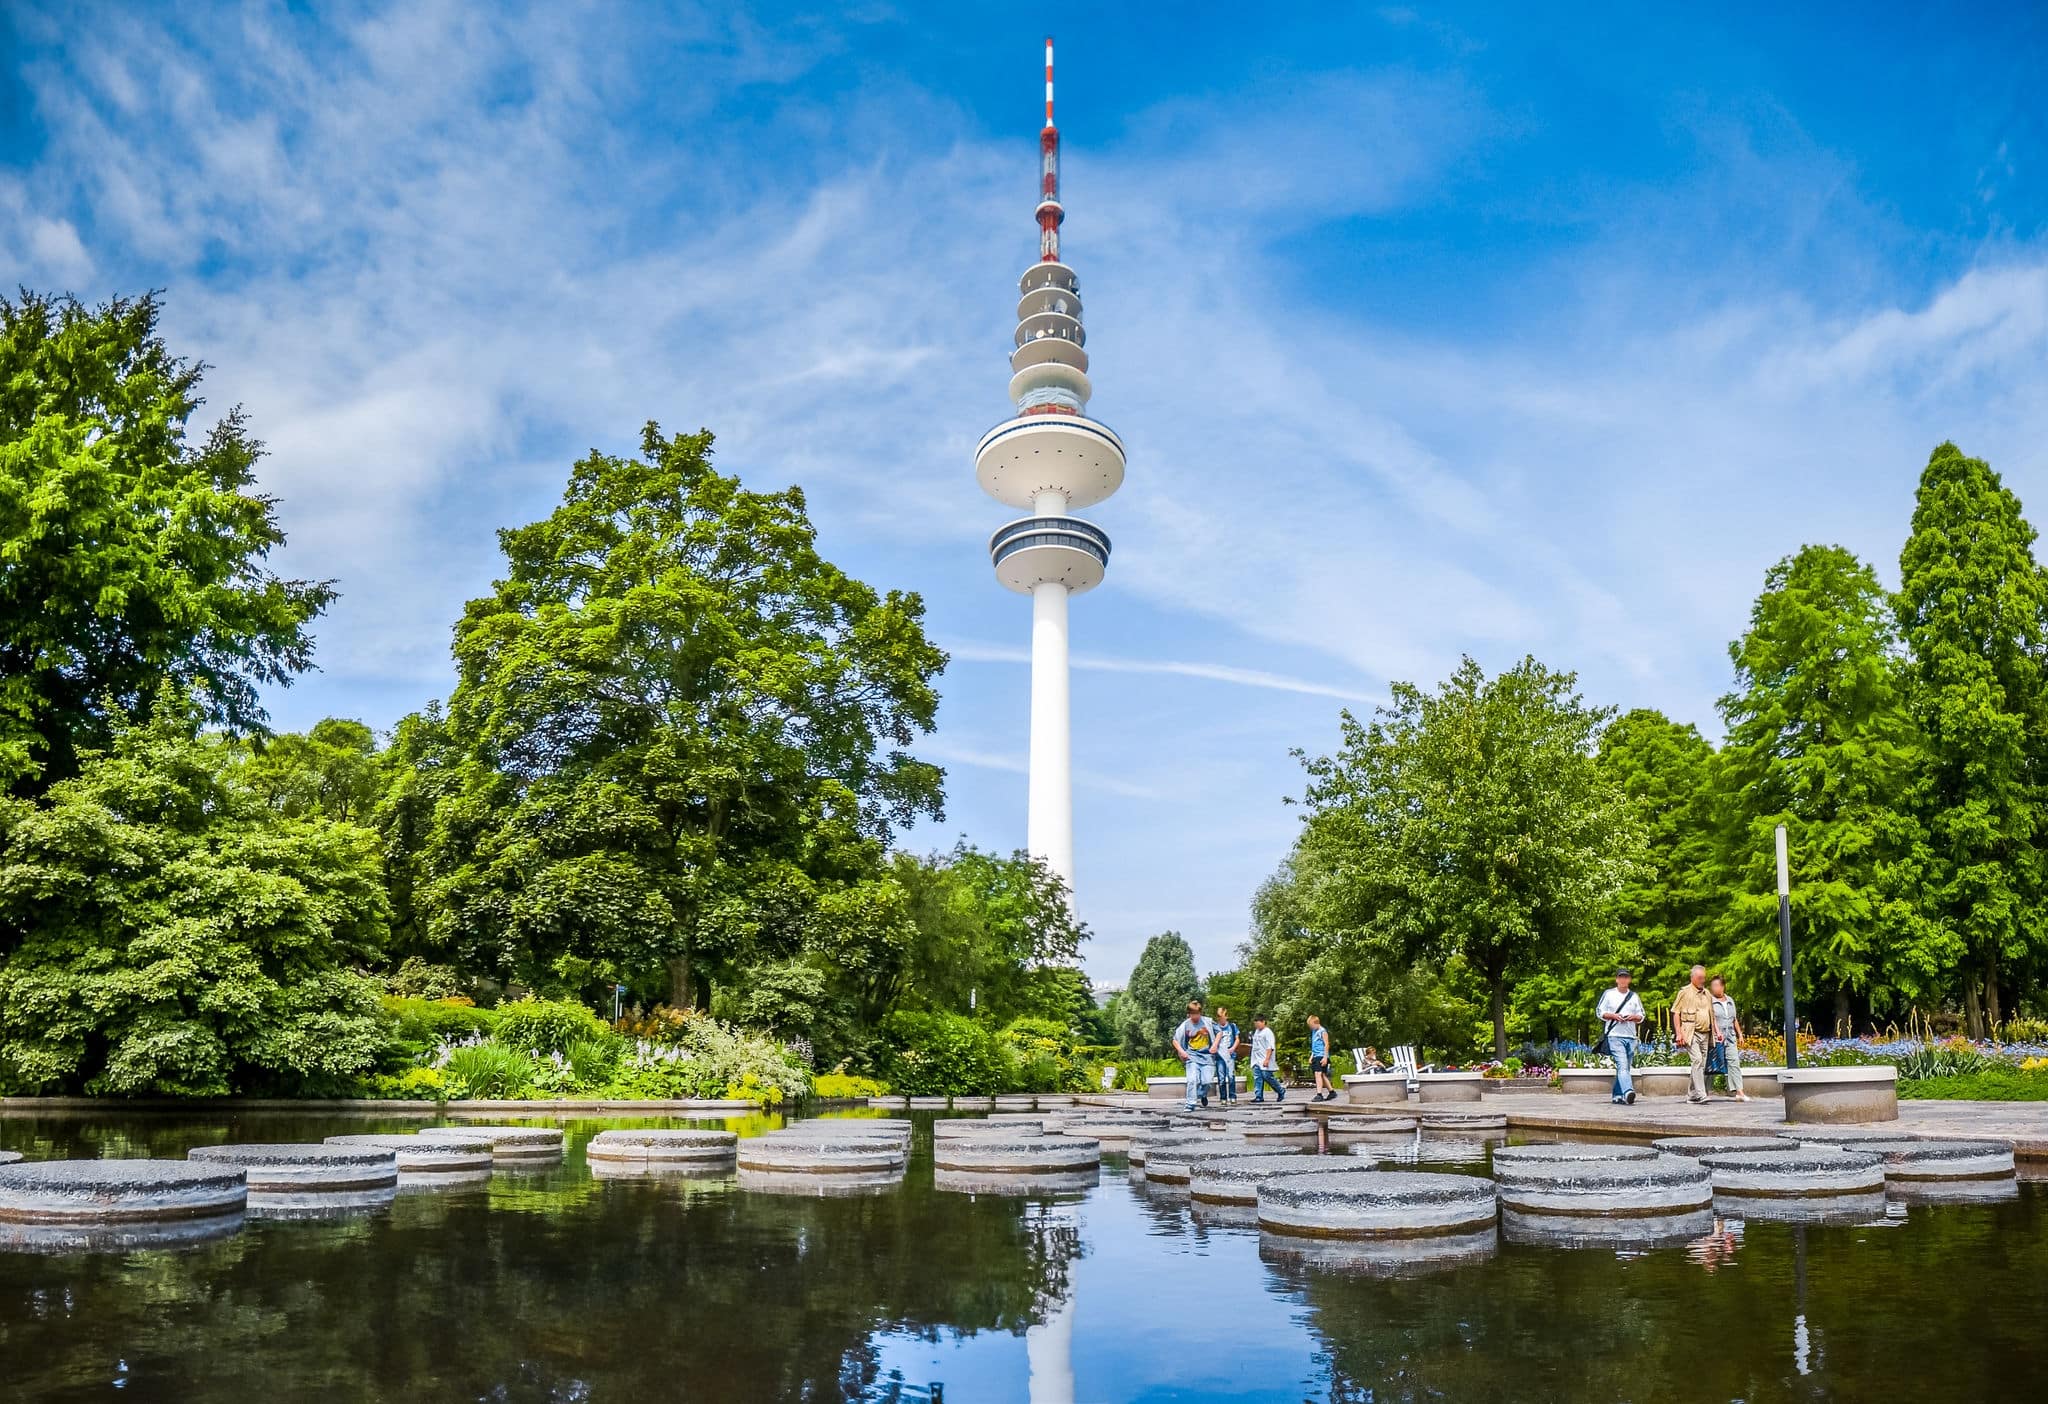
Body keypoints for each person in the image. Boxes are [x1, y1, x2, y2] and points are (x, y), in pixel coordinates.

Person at [1596, 967, 1646, 1105]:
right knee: (1622, 1064)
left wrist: (1633, 1017)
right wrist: (1613, 1016)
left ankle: (1617, 1095)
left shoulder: (1634, 996)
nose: (1623, 979)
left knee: (1625, 1067)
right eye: (1621, 977)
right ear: (1617, 979)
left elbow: (1641, 1015)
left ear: (1629, 980)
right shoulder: (1609, 994)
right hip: (1614, 1035)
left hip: (1630, 1036)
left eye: (1626, 977)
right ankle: (1628, 1091)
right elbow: (1600, 1012)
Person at [1672, 964, 1717, 1104]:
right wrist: (1678, 1033)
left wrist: (1717, 1031)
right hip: (1691, 1033)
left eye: (1704, 978)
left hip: (1706, 1033)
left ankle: (1692, 1095)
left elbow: (1712, 1014)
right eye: (1699, 978)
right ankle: (1701, 1094)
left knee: (1701, 1064)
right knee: (1697, 1060)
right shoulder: (1684, 992)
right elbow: (1675, 1012)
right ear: (1692, 978)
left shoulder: (1707, 994)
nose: (1702, 980)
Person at [1708, 975, 1749, 1101]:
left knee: (1734, 1062)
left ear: (1722, 986)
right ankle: (1704, 1091)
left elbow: (1734, 1019)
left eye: (1716, 985)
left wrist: (1740, 1034)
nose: (1714, 988)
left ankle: (1739, 1092)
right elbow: (1711, 1019)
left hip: (1730, 1037)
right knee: (1712, 1065)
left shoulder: (1730, 1000)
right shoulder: (1710, 1001)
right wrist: (1717, 1032)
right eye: (1712, 986)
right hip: (1716, 1038)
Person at [1172, 999, 1216, 1111]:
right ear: (1189, 1014)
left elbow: (1219, 1032)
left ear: (1200, 1013)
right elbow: (1175, 1040)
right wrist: (1182, 1051)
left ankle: (1202, 1094)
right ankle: (1190, 1104)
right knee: (1192, 1080)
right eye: (1193, 1014)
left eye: (1197, 1013)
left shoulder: (1208, 1022)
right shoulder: (1185, 1025)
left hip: (1207, 1056)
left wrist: (1215, 1045)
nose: (1195, 1016)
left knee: (1206, 1081)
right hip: (1192, 1056)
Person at [1249, 1016, 1284, 1102]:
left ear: (1263, 1022)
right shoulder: (1257, 1032)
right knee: (1257, 1077)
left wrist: (1267, 1059)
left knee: (1267, 1076)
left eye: (1258, 1023)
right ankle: (1258, 1096)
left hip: (1265, 1059)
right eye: (1255, 1024)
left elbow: (1270, 1047)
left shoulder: (1268, 1032)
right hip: (1256, 1059)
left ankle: (1280, 1090)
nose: (1257, 1026)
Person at [1212, 1005, 1240, 1103]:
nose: (1221, 1019)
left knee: (1231, 1076)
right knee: (1221, 1077)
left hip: (1230, 1055)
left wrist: (1233, 1048)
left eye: (1223, 1017)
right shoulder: (1215, 1027)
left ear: (1226, 1016)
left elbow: (1237, 1039)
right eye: (1219, 1017)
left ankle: (1232, 1096)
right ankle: (1223, 1097)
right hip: (1219, 1056)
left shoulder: (1232, 1026)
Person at [1307, 1015, 1335, 1102]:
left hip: (1322, 1055)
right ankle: (1332, 1092)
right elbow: (1314, 1046)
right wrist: (1312, 1056)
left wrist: (1325, 1057)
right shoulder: (1314, 1032)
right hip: (1316, 1055)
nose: (1310, 1027)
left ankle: (1319, 1094)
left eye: (1311, 1025)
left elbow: (1326, 1045)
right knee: (1322, 1075)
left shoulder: (1322, 1031)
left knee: (1317, 1074)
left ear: (1316, 1023)